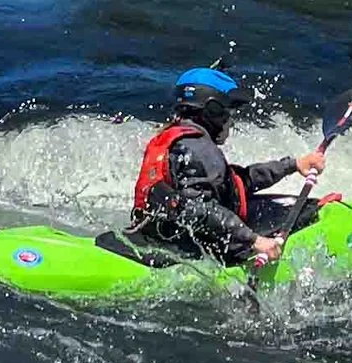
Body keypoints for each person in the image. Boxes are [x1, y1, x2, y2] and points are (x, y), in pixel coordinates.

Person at [125, 68, 325, 270]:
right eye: (228, 112)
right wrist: (254, 241)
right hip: (190, 248)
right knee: (308, 211)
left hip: (158, 234)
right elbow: (199, 210)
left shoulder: (177, 139)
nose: (231, 120)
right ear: (212, 110)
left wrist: (292, 165)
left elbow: (238, 182)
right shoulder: (200, 150)